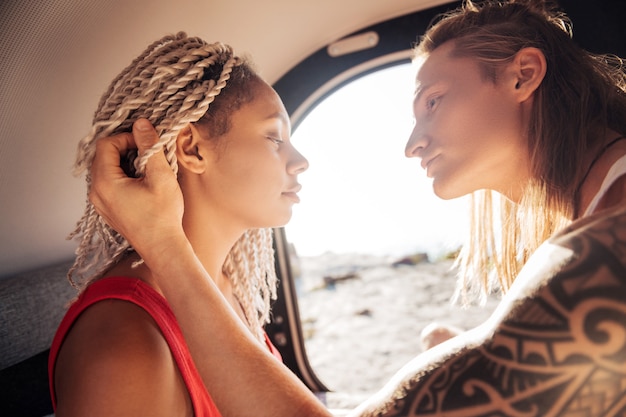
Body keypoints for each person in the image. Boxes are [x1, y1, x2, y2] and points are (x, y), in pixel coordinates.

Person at [85, 0, 626, 416]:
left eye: (433, 101)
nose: (413, 144)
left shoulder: (602, 247)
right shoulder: (127, 332)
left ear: (523, 75)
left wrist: (164, 245)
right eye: (275, 139)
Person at [47, 32, 325, 417]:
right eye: (275, 138)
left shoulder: (227, 287)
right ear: (192, 149)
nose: (300, 161)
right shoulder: (125, 342)